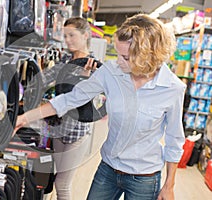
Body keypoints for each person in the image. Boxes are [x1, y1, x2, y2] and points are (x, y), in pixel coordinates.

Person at [15, 14, 186, 200]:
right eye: (118, 54)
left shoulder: (172, 88)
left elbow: (174, 140)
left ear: (147, 56)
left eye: (126, 58)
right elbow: (71, 99)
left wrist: (169, 186)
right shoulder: (112, 72)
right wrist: (25, 118)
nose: (118, 62)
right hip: (109, 170)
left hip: (144, 177)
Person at [39, 17, 97, 200]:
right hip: (58, 129)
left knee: (62, 183)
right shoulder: (66, 59)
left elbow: (83, 98)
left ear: (85, 35)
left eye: (72, 35)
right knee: (55, 176)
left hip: (77, 133)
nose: (68, 40)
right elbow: (45, 79)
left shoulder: (93, 64)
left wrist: (83, 77)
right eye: (65, 36)